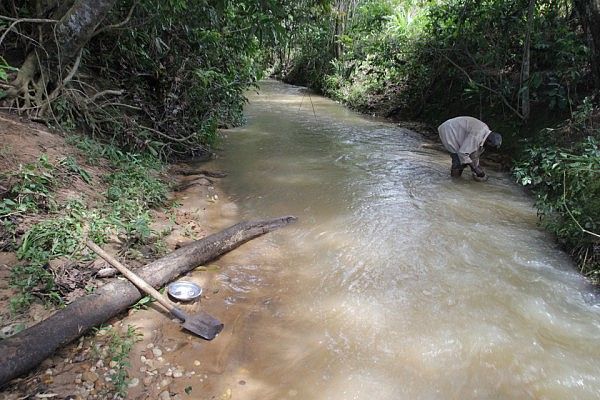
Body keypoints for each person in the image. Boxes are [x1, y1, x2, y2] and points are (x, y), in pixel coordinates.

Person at [438, 116, 502, 182]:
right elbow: (462, 153)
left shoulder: (484, 134)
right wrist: (475, 168)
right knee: (458, 160)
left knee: (464, 160)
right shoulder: (477, 136)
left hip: (457, 131)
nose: (489, 150)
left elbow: (474, 154)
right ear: (488, 142)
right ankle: (454, 183)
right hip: (449, 130)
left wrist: (476, 169)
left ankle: (457, 181)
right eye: (491, 147)